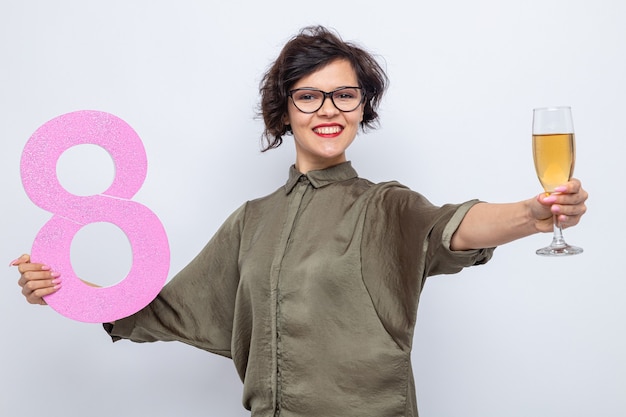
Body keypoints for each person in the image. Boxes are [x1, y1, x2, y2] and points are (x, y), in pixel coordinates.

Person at [12, 25, 588, 417]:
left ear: (364, 105)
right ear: (285, 110)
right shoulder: (251, 221)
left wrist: (533, 215)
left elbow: (456, 226)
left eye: (345, 94)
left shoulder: (387, 204)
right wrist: (62, 288)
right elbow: (156, 309)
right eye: (309, 97)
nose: (330, 109)